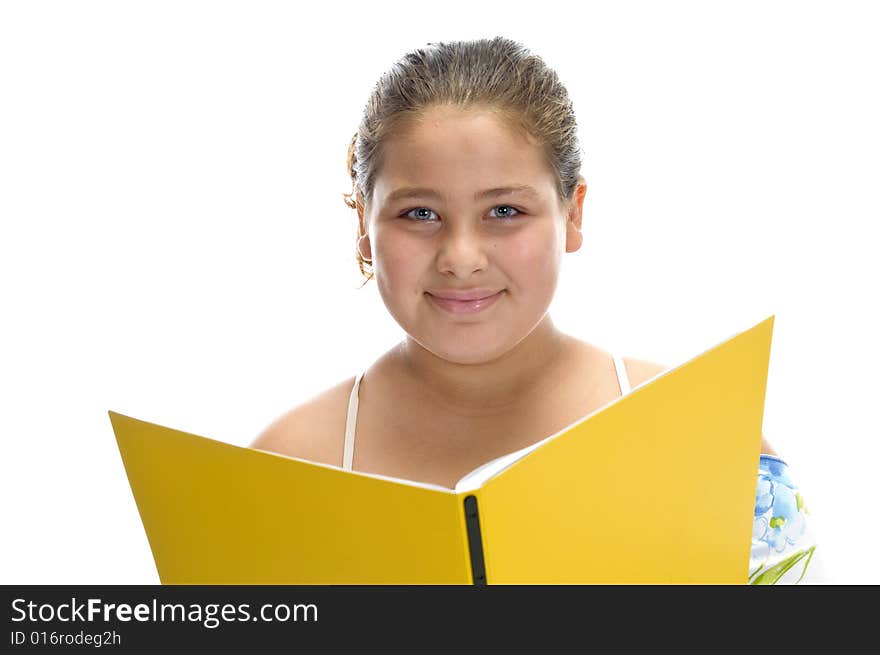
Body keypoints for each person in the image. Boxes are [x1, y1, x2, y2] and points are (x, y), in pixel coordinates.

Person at [249, 36, 819, 584]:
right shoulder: (285, 466)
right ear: (363, 226)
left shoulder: (706, 441)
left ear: (572, 213)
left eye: (504, 210)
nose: (462, 258)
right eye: (419, 214)